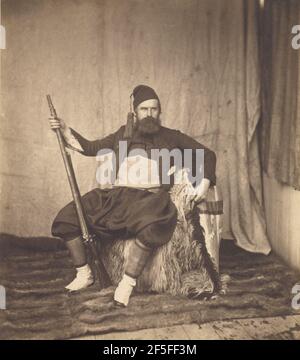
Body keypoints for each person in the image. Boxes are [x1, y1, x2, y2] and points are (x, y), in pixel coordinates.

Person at [48, 85, 216, 307]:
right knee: (68, 217)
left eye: (154, 109)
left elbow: (208, 155)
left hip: (151, 198)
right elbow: (90, 147)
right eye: (144, 109)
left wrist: (203, 185)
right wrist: (65, 128)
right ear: (134, 111)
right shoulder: (122, 134)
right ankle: (84, 273)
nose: (149, 114)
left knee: (151, 226)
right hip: (118, 197)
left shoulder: (172, 137)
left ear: (159, 111)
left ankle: (127, 284)